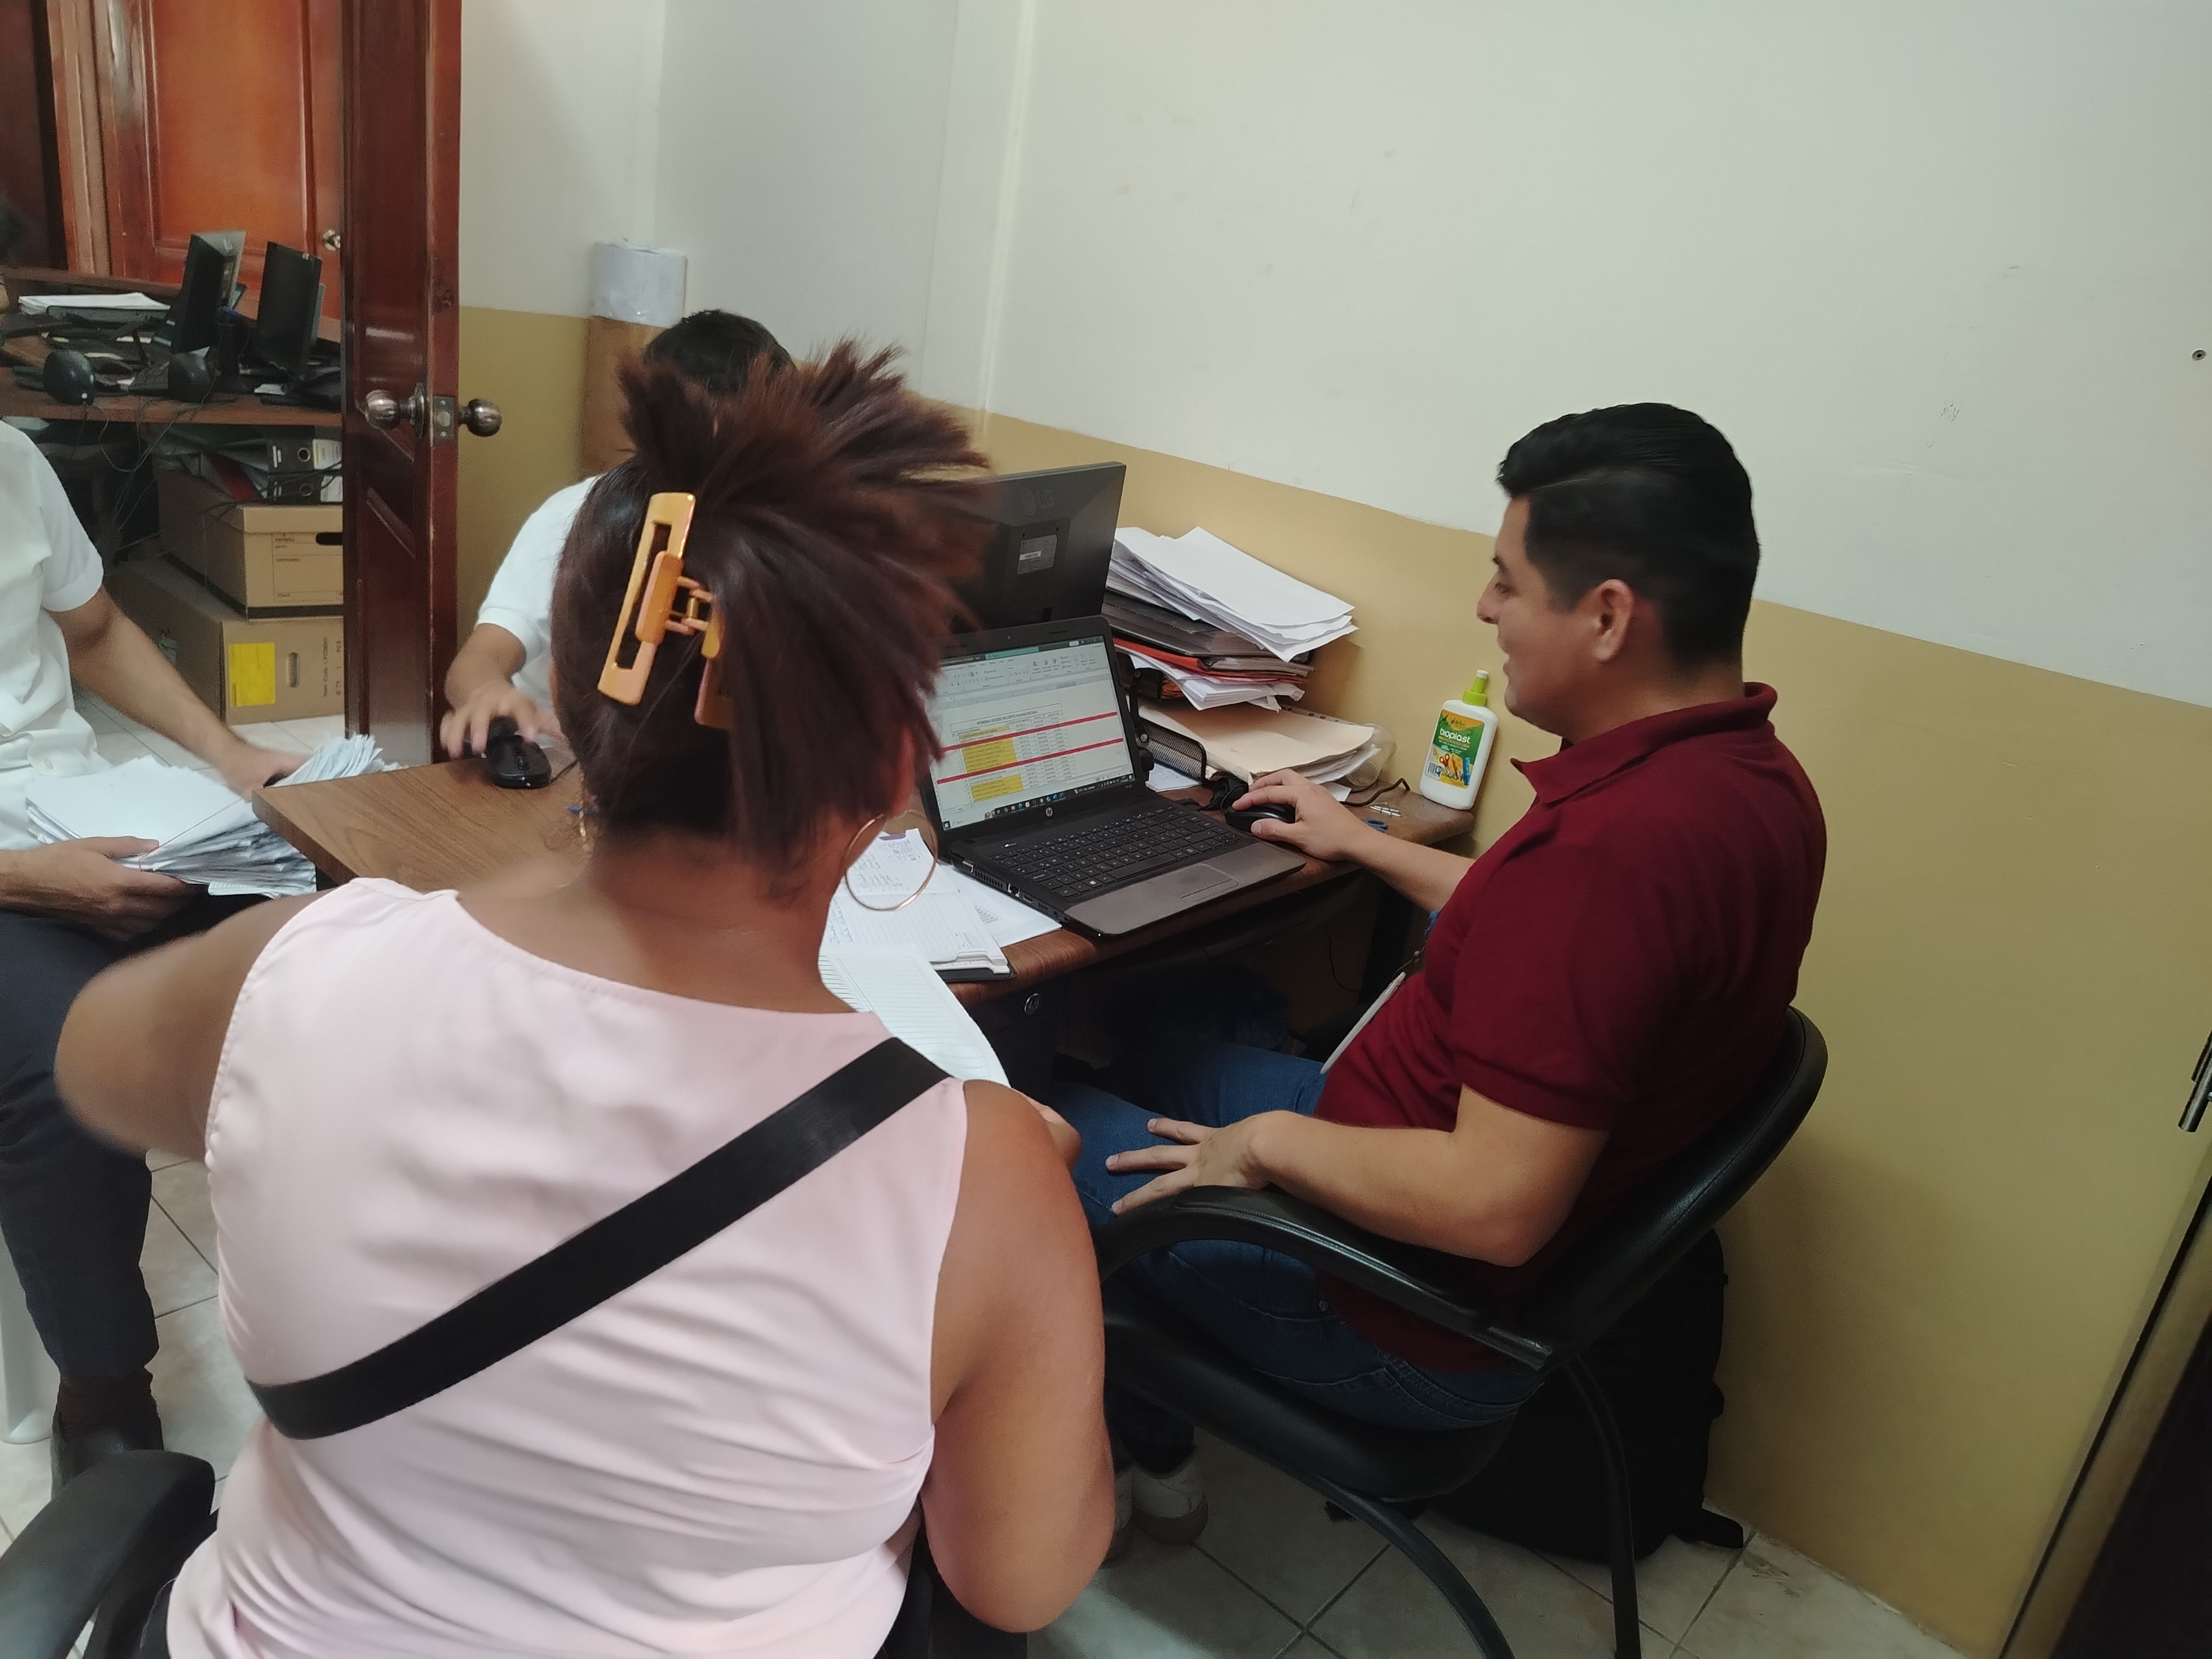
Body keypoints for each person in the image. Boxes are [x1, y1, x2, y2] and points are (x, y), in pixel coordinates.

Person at [59, 346, 1113, 1657]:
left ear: (566, 699)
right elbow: (1019, 1581)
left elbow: (94, 1059)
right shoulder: (984, 1175)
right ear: (896, 764)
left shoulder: (298, 967)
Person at [1052, 403, 1827, 1550]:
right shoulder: (1746, 781)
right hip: (1407, 1179)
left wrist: (1264, 1148)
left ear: (1608, 616)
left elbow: (1493, 1208)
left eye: (1508, 580)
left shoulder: (1613, 857)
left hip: (1394, 1312)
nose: (1486, 608)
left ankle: (1119, 1467)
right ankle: (1145, 1419)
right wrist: (1363, 842)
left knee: (1027, 1131)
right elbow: (1561, 949)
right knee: (1161, 1047)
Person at [0, 421, 299, 1491]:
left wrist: (231, 757)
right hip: (10, 868)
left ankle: (348, 1284)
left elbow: (92, 632)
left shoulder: (12, 460)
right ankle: (104, 1386)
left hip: (81, 808)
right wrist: (24, 879)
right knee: (62, 1069)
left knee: (330, 938)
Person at [441, 308, 791, 759]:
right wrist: (486, 692)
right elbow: (479, 658)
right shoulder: (575, 517)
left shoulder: (777, 530)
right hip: (560, 757)